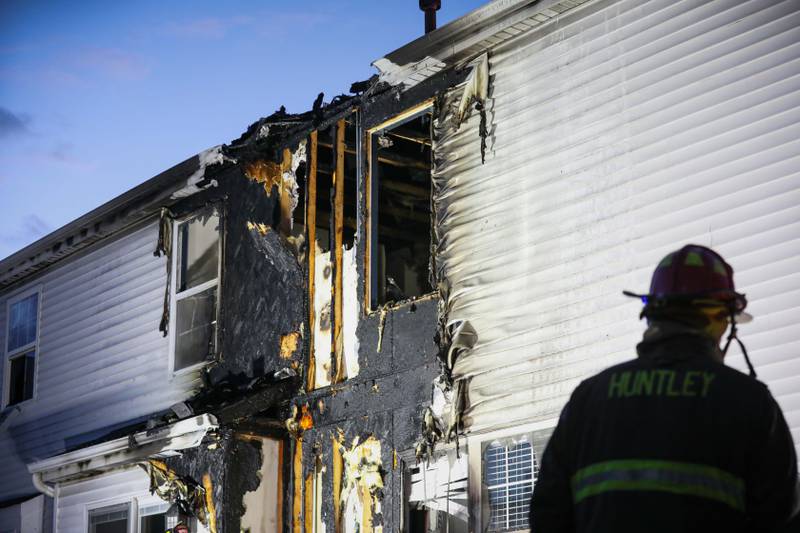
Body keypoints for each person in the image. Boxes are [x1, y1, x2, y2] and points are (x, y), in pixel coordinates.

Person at [530, 244, 798, 532]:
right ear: (716, 320)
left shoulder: (589, 399)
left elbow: (549, 514)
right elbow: (781, 519)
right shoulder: (749, 401)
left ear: (652, 315)